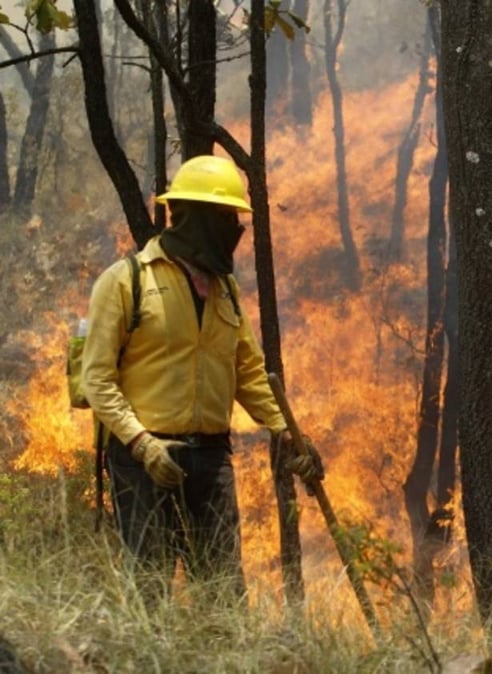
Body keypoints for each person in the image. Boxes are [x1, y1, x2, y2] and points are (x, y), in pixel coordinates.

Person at [81, 154, 317, 605]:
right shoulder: (126, 281)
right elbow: (97, 380)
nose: (236, 230)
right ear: (190, 216)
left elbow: (247, 371)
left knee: (223, 591)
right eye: (226, 217)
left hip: (211, 459)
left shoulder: (225, 291)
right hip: (144, 459)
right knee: (149, 587)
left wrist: (287, 432)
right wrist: (142, 444)